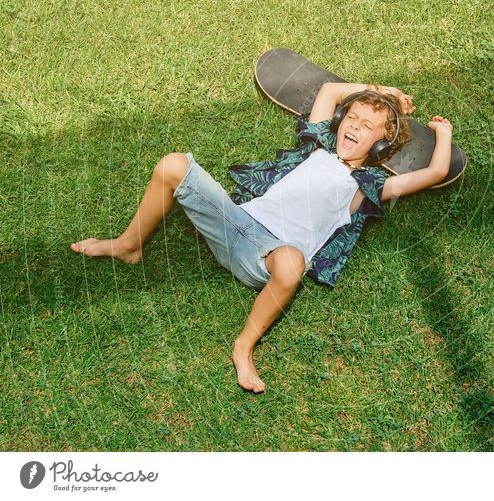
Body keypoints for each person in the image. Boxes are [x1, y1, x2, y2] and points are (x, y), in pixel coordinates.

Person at [70, 82, 454, 393]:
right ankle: (128, 245)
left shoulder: (366, 186)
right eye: (351, 118)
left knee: (292, 262)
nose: (354, 127)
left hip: (266, 259)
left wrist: (444, 132)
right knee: (174, 164)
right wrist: (381, 90)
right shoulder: (316, 147)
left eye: (367, 127)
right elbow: (328, 91)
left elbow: (435, 172)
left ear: (383, 145)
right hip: (236, 223)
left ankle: (243, 347)